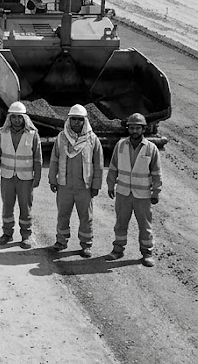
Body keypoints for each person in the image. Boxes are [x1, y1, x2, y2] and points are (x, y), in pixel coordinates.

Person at [107, 112, 162, 267]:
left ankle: (147, 253)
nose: (134, 131)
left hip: (143, 196)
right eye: (132, 128)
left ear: (143, 129)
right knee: (120, 223)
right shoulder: (120, 145)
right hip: (123, 193)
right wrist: (111, 185)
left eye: (138, 128)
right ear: (128, 129)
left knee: (145, 225)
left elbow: (157, 173)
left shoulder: (151, 149)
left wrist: (156, 192)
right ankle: (117, 250)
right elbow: (113, 167)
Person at [48, 104, 102, 258]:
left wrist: (96, 185)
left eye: (80, 119)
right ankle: (61, 241)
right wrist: (53, 179)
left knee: (86, 217)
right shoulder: (61, 138)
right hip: (64, 185)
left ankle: (86, 245)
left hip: (84, 187)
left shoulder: (92, 139)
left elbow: (98, 164)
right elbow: (54, 160)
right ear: (69, 120)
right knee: (63, 215)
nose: (77, 123)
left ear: (84, 121)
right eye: (73, 119)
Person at [0, 101, 42, 248]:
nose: (16, 120)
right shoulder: (2, 133)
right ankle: (7, 233)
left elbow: (38, 158)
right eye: (13, 117)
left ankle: (26, 235)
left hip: (25, 179)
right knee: (7, 207)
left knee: (25, 207)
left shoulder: (32, 135)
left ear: (24, 118)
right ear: (9, 118)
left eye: (19, 117)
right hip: (7, 177)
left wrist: (37, 177)